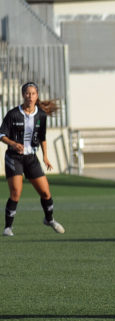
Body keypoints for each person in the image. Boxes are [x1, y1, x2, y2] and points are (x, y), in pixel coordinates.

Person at [1, 82, 65, 236]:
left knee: (45, 192)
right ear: (23, 95)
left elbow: (42, 137)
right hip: (14, 157)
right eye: (27, 93)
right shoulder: (13, 114)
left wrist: (45, 157)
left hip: (31, 158)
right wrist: (13, 144)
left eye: (33, 93)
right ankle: (8, 227)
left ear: (37, 95)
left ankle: (49, 219)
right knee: (16, 192)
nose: (30, 96)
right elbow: (2, 135)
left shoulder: (41, 115)